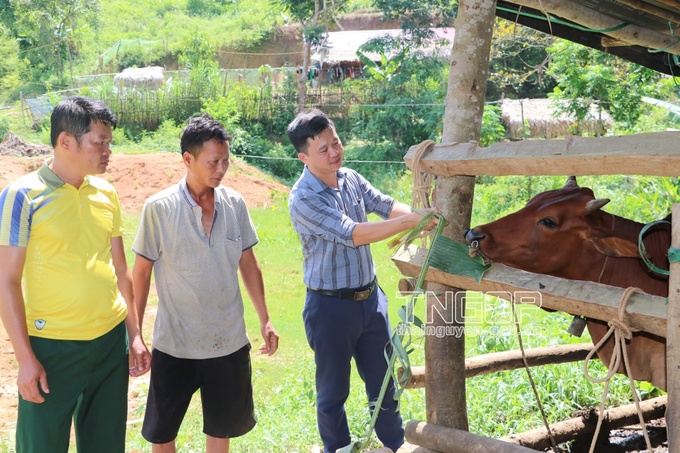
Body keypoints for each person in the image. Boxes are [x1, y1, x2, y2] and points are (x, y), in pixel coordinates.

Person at [0, 96, 151, 453]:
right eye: (99, 142)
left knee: (106, 443)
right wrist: (25, 360)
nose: (107, 150)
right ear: (66, 141)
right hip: (53, 348)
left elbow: (119, 268)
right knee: (42, 446)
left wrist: (134, 334)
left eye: (109, 142)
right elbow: (6, 280)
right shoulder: (22, 196)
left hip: (109, 342)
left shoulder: (106, 192)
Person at [287, 109, 439, 453]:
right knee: (332, 391)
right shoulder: (303, 198)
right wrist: (410, 221)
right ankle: (337, 448)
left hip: (370, 301)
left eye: (336, 142)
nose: (334, 152)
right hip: (329, 307)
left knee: (383, 382)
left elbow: (384, 205)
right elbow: (353, 233)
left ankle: (394, 444)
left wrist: (422, 217)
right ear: (304, 157)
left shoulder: (350, 177)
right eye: (323, 149)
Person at [132, 114, 279, 453]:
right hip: (175, 345)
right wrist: (136, 334)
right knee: (162, 434)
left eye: (226, 161)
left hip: (227, 342)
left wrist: (265, 318)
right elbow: (140, 273)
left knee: (221, 429)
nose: (221, 169)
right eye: (213, 162)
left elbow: (248, 263)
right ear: (188, 159)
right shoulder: (158, 208)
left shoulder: (234, 203)